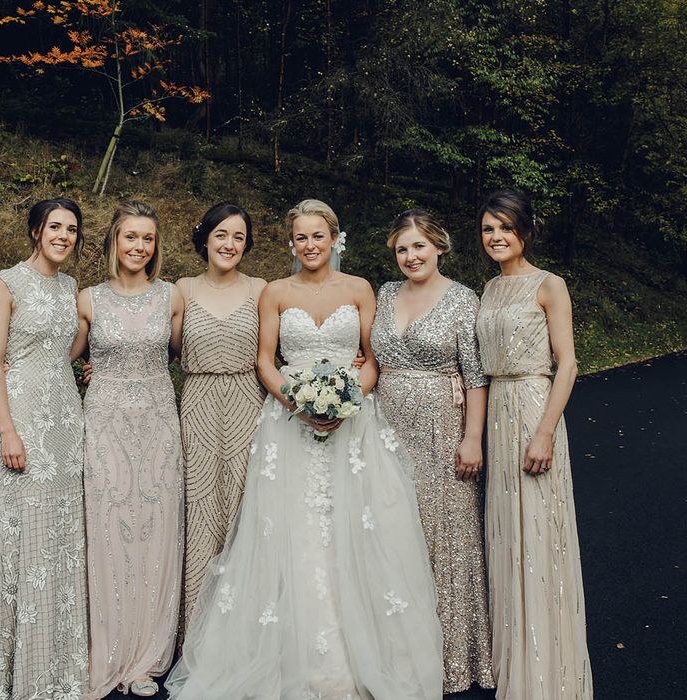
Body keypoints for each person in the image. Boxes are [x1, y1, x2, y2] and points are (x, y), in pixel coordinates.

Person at [165, 199, 444, 700]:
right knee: (287, 530)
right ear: (290, 243)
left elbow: (373, 360)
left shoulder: (359, 289)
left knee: (354, 528)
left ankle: (359, 655)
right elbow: (265, 361)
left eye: (319, 236)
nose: (310, 245)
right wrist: (297, 400)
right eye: (300, 237)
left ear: (335, 238)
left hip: (352, 426)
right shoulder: (274, 292)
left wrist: (347, 399)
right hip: (288, 424)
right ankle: (284, 654)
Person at [475, 190, 593, 699]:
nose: (496, 237)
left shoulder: (549, 285)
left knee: (539, 531)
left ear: (524, 231)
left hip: (532, 405)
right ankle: (514, 658)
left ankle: (547, 667)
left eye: (505, 227)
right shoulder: (487, 288)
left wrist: (544, 430)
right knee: (505, 532)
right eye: (487, 229)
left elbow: (566, 362)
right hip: (497, 412)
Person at [371, 209, 494, 693]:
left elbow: (476, 376)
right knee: (392, 534)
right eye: (402, 248)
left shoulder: (463, 300)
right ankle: (396, 654)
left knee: (443, 536)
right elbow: (370, 351)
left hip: (444, 427)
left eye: (419, 246)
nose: (410, 256)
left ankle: (450, 660)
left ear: (439, 247)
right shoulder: (382, 295)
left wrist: (472, 437)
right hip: (384, 426)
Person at [0, 198, 89, 700]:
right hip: (20, 419)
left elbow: (61, 348)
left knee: (61, 540)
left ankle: (59, 668)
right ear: (36, 231)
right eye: (55, 227)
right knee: (23, 542)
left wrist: (83, 364)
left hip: (66, 419)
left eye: (72, 229)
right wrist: (7, 431)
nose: (64, 235)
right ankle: (15, 674)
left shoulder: (70, 286)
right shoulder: (5, 283)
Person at [72, 201, 184, 698]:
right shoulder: (88, 299)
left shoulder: (172, 296)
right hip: (106, 427)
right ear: (113, 243)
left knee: (156, 534)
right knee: (108, 532)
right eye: (130, 237)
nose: (140, 247)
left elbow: (190, 351)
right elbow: (62, 355)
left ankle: (145, 657)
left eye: (148, 239)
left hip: (159, 427)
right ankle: (109, 648)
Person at [176, 203, 267, 637]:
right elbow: (160, 347)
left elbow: (285, 348)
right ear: (205, 238)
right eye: (222, 235)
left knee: (244, 507)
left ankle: (243, 630)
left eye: (238, 237)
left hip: (249, 401)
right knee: (199, 509)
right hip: (197, 403)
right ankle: (196, 629)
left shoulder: (261, 289)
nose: (229, 244)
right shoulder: (182, 290)